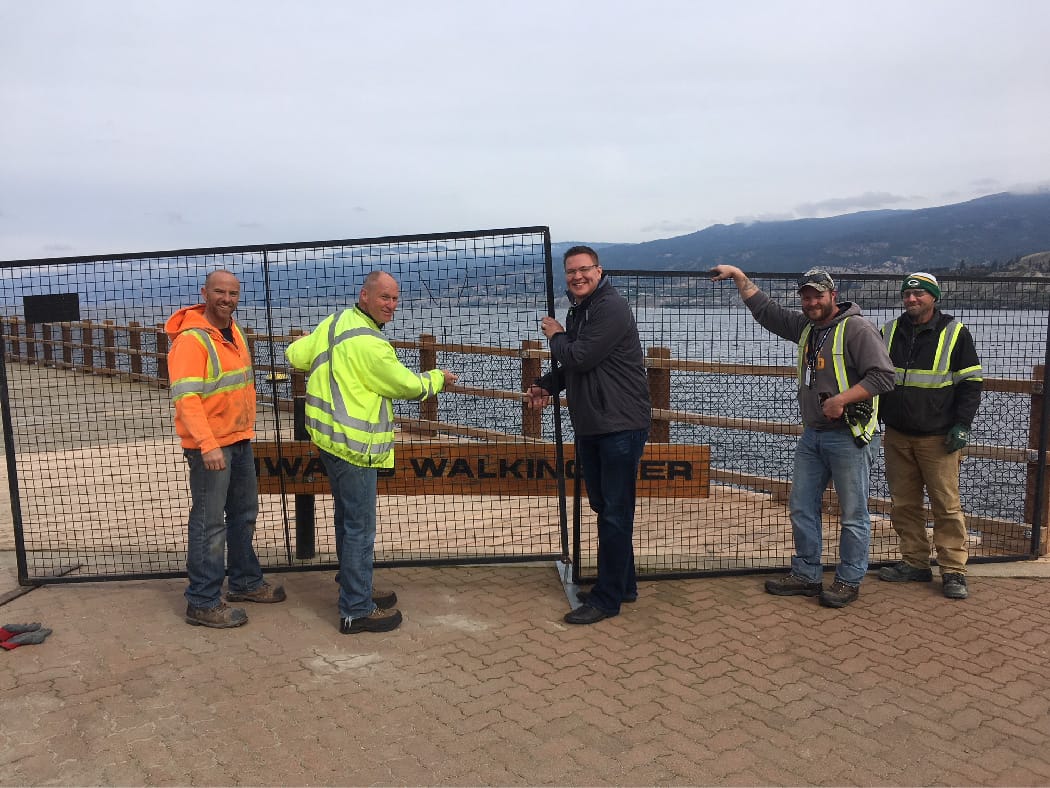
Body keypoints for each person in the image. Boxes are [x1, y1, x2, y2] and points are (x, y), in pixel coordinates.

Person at [709, 265, 895, 608]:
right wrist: (738, 275)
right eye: (806, 297)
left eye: (817, 296)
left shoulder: (857, 329)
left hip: (850, 436)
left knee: (853, 514)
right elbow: (767, 311)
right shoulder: (809, 328)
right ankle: (807, 574)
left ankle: (848, 580)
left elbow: (884, 377)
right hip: (814, 435)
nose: (811, 302)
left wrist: (842, 399)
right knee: (801, 506)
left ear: (833, 296)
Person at [286, 271, 457, 634]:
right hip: (355, 447)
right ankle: (356, 609)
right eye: (385, 298)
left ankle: (354, 585)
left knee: (347, 521)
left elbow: (295, 355)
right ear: (365, 295)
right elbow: (407, 385)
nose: (391, 305)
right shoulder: (372, 343)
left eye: (395, 298)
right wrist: (438, 378)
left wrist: (310, 342)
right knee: (359, 528)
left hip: (328, 440)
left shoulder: (334, 323)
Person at [527, 245, 651, 625]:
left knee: (614, 512)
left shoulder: (610, 307)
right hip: (595, 423)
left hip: (619, 424)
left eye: (583, 270)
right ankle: (623, 584)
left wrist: (556, 334)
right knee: (605, 506)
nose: (576, 277)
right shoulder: (582, 309)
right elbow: (576, 365)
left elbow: (578, 355)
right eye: (570, 271)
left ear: (599, 271)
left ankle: (607, 599)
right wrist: (547, 384)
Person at [167, 270, 286, 628]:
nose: (227, 298)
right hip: (212, 447)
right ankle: (202, 600)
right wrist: (207, 445)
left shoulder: (235, 331)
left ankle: (245, 582)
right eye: (220, 291)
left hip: (238, 439)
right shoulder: (191, 340)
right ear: (204, 292)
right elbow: (187, 398)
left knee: (244, 513)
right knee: (209, 523)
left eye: (233, 293)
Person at [878, 272, 983, 600]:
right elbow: (873, 375)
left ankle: (953, 570)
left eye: (919, 294)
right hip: (896, 434)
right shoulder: (888, 331)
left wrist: (962, 425)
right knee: (904, 504)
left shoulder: (955, 333)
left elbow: (971, 384)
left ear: (933, 297)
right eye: (907, 295)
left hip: (937, 438)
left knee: (946, 505)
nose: (912, 299)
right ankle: (915, 562)